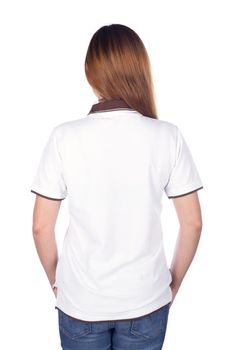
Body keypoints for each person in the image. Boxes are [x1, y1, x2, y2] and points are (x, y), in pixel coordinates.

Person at [31, 24, 203, 350]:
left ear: (90, 73)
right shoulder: (167, 136)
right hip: (147, 302)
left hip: (80, 304)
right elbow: (193, 223)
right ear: (140, 68)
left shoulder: (63, 137)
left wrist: (58, 283)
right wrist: (173, 284)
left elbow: (41, 227)